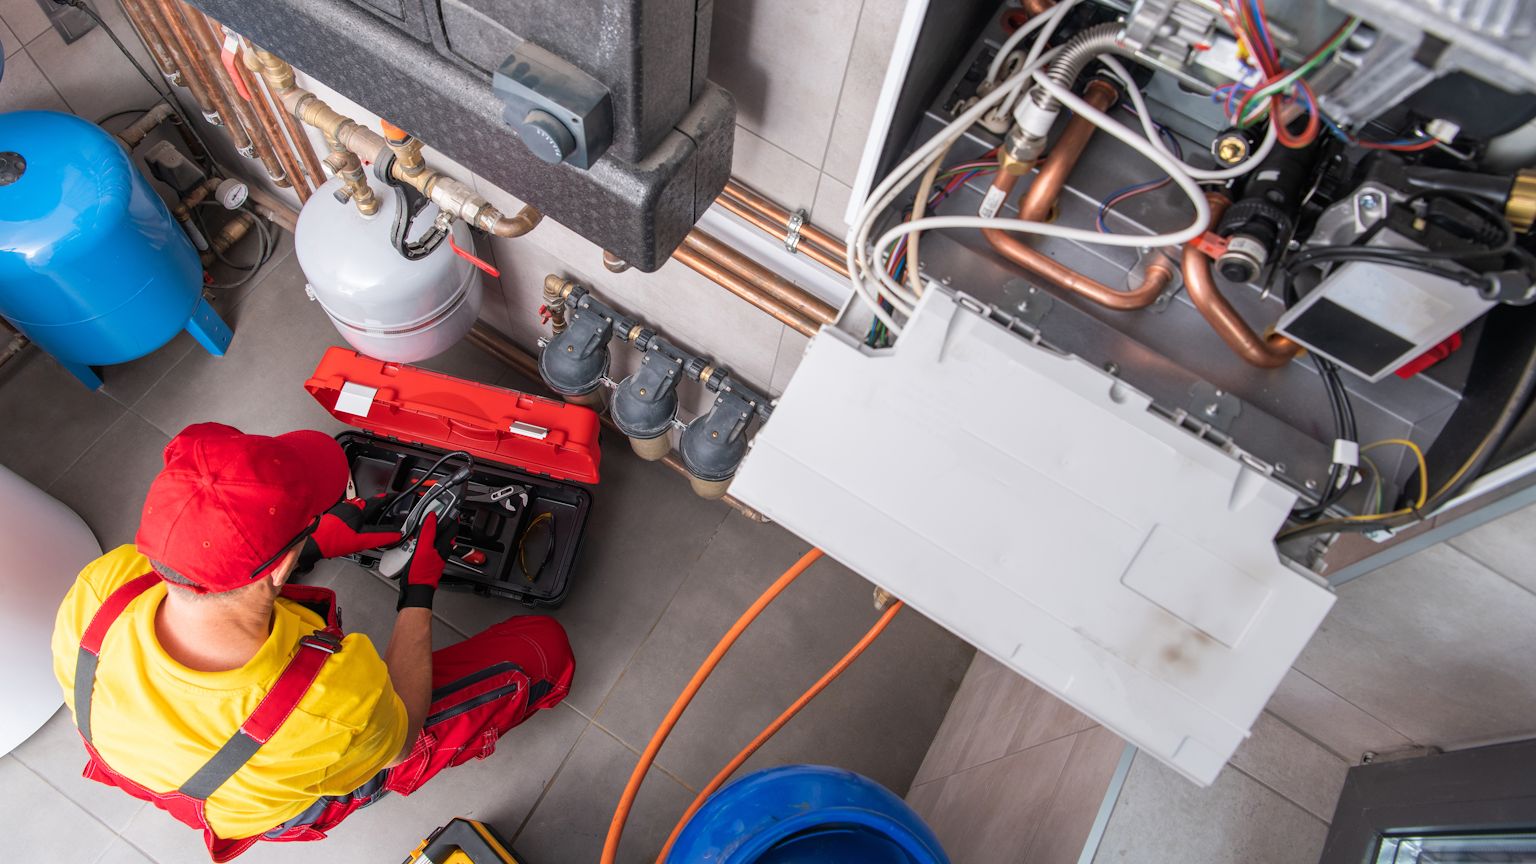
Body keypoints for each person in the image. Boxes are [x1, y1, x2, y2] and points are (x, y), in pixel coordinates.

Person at [51, 423, 574, 861]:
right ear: (277, 567)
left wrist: (309, 546)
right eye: (304, 532)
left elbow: (211, 574)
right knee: (544, 649)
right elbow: (402, 733)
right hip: (274, 803)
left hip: (159, 763)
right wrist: (418, 591)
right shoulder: (327, 700)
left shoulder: (103, 585)